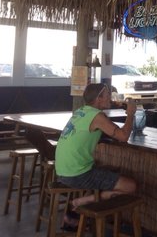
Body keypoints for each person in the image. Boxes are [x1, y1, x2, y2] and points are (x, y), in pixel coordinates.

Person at [55, 83, 138, 226]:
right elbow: (123, 136)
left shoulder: (81, 112)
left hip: (63, 170)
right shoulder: (97, 116)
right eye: (107, 95)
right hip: (77, 174)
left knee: (107, 172)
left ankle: (74, 215)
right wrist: (130, 114)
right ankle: (80, 202)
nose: (110, 99)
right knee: (130, 186)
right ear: (98, 99)